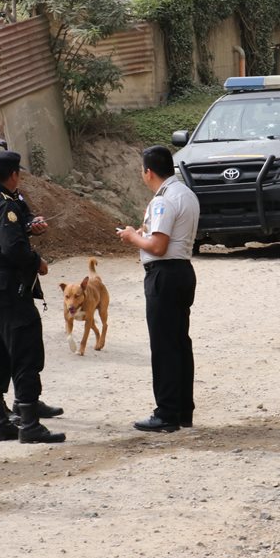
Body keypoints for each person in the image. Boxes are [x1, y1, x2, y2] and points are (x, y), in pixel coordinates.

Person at [0, 150, 64, 444]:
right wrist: (37, 262)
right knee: (25, 348)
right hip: (6, 286)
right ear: (14, 175)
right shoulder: (4, 204)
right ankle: (29, 424)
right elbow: (13, 248)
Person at [116, 145, 201, 433]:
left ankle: (166, 412)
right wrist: (143, 235)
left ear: (148, 172)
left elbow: (158, 246)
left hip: (164, 273)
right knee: (179, 342)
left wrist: (131, 237)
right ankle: (182, 410)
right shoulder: (186, 193)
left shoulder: (163, 200)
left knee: (164, 345)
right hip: (182, 271)